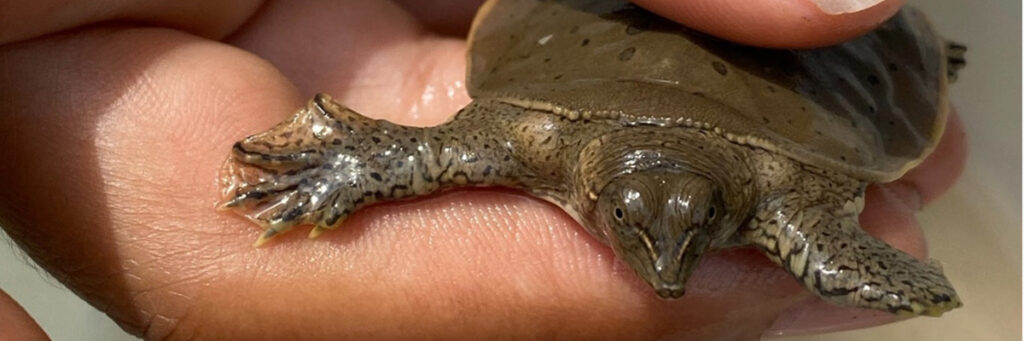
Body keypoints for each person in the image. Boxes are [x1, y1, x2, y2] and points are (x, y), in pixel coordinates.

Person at [0, 0, 967, 339]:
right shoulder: (541, 134)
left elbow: (419, 151)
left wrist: (901, 285)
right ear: (601, 188)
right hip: (590, 55)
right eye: (642, 234)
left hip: (807, 89)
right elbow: (410, 152)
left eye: (698, 232)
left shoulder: (787, 194)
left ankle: (922, 48)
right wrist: (331, 172)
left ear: (740, 206)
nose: (665, 270)